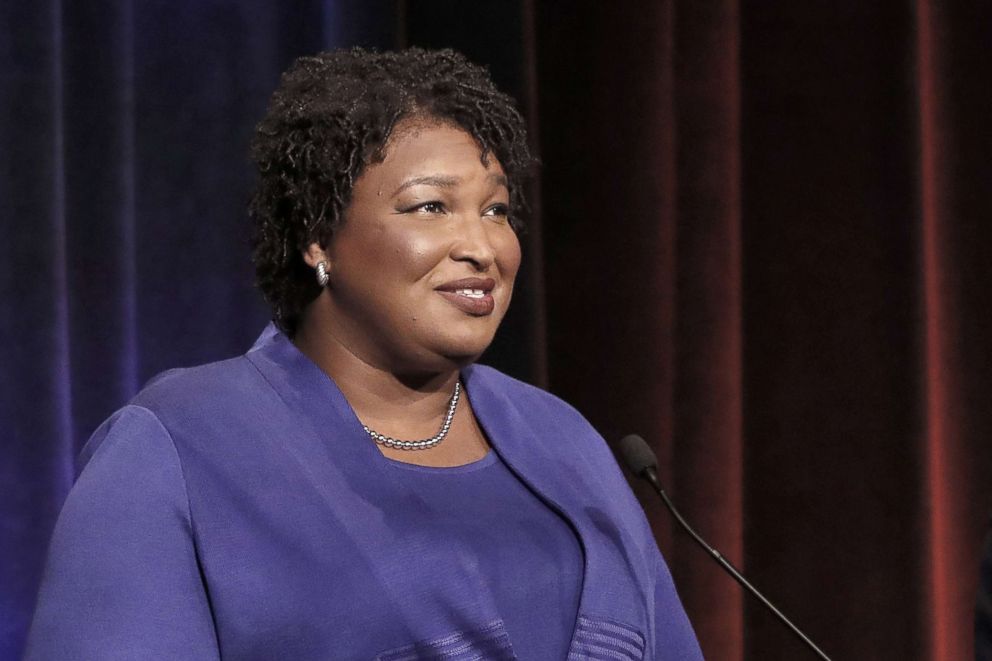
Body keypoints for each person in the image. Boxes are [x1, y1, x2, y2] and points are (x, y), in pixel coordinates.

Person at [26, 48, 702, 660]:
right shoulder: (179, 448)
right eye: (431, 207)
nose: (482, 246)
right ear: (319, 238)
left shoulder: (563, 440)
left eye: (496, 211)